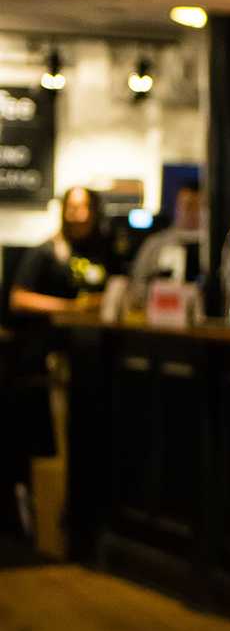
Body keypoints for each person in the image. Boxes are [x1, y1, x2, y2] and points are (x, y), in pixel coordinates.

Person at [5, 187, 110, 528]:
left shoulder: (101, 252)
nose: (78, 213)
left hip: (93, 362)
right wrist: (69, 308)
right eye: (73, 206)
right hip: (47, 361)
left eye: (85, 207)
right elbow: (17, 299)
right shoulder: (45, 252)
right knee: (50, 446)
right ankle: (50, 526)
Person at [127, 181, 204, 304]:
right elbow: (137, 282)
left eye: (197, 206)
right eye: (186, 205)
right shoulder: (155, 244)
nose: (190, 211)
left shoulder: (212, 249)